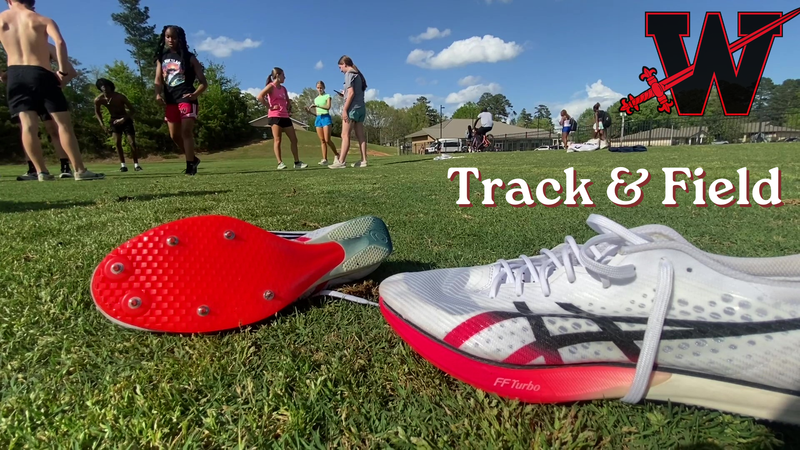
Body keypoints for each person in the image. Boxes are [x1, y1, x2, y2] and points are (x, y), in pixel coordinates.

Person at [0, 0, 104, 181]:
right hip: (41, 72)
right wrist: (62, 72)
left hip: (15, 74)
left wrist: (2, 74)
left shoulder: (2, 20)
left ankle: (41, 172)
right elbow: (60, 42)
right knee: (63, 125)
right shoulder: (42, 19)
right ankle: (79, 170)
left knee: (28, 126)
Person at [3, 42, 74, 180]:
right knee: (27, 128)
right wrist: (6, 76)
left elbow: (70, 71)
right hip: (23, 90)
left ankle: (65, 166)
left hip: (44, 88)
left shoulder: (45, 45)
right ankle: (34, 169)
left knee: (53, 129)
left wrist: (61, 81)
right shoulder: (14, 46)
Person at [154, 25, 206, 176]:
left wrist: (195, 94)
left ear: (181, 39)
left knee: (186, 132)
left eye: (174, 37)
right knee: (174, 135)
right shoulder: (161, 58)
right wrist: (157, 94)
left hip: (186, 98)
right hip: (170, 100)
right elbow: (158, 79)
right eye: (168, 37)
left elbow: (203, 82)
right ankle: (193, 159)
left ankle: (190, 166)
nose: (171, 40)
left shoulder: (190, 58)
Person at [257, 67, 307, 170]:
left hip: (285, 116)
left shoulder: (284, 89)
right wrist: (270, 106)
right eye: (283, 75)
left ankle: (297, 162)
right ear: (277, 76)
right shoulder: (270, 86)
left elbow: (288, 101)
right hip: (275, 116)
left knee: (294, 139)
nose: (285, 77)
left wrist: (288, 107)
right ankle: (280, 163)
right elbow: (260, 97)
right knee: (277, 140)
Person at [94, 78, 141, 172]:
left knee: (132, 142)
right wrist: (102, 124)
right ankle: (123, 165)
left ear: (110, 86)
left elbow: (132, 110)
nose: (104, 88)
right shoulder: (99, 100)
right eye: (102, 86)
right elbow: (97, 112)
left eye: (106, 86)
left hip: (125, 119)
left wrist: (123, 119)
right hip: (114, 120)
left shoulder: (119, 97)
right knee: (117, 142)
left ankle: (136, 165)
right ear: (99, 88)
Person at [329, 55, 367, 169]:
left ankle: (341, 161)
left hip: (352, 109)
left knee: (345, 135)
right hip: (361, 108)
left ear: (345, 64)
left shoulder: (348, 74)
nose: (340, 70)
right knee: (360, 136)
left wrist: (345, 110)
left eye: (340, 67)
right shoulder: (358, 75)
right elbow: (353, 92)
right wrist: (344, 94)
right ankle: (364, 160)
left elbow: (351, 93)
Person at [306, 80, 338, 166]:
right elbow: (317, 113)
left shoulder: (327, 96)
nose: (319, 89)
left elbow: (328, 107)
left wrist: (317, 105)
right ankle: (324, 159)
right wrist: (309, 112)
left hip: (326, 118)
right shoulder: (316, 99)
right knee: (322, 140)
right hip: (319, 118)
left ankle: (336, 154)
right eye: (318, 88)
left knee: (327, 140)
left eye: (321, 87)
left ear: (324, 88)